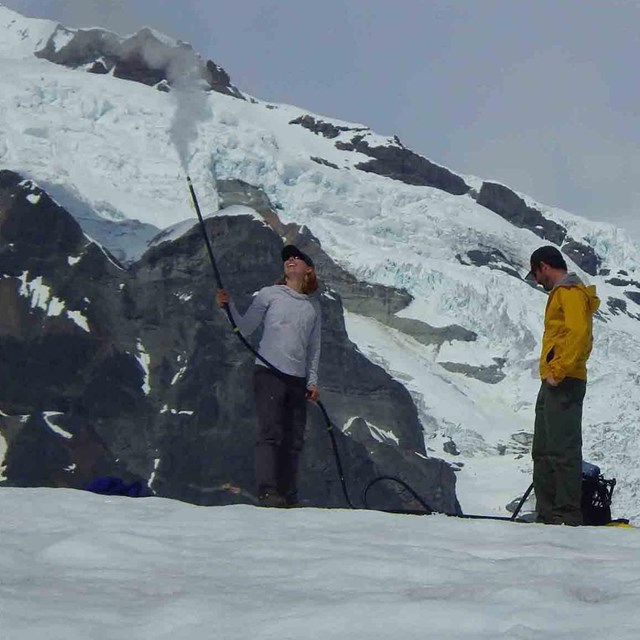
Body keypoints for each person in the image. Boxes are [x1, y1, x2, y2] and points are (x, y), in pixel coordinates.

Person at [215, 245, 321, 508]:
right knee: (270, 432)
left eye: (297, 258)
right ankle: (268, 491)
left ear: (309, 269)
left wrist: (313, 380)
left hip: (297, 379)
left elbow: (314, 346)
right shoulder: (269, 294)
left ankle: (288, 493)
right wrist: (227, 308)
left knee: (294, 439)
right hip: (268, 372)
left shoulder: (313, 307)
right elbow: (245, 327)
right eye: (287, 259)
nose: (291, 260)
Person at [526, 245, 600, 525]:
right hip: (554, 379)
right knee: (544, 449)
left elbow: (579, 333)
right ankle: (548, 513)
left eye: (535, 273)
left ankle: (566, 514)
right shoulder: (562, 293)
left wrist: (559, 370)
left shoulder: (569, 292)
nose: (536, 280)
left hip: (564, 379)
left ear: (544, 266)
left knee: (562, 448)